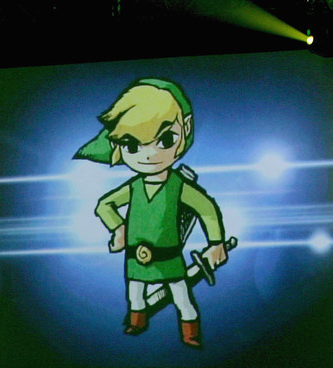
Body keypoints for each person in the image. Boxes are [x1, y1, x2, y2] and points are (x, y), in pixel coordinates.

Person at [75, 78, 227, 348]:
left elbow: (206, 208)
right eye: (132, 146)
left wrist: (216, 243)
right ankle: (137, 322)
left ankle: (191, 333)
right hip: (136, 259)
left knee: (182, 298)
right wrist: (119, 228)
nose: (148, 155)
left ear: (185, 129)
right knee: (135, 297)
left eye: (165, 139)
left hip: (169, 259)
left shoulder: (179, 186)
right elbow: (104, 205)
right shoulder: (133, 187)